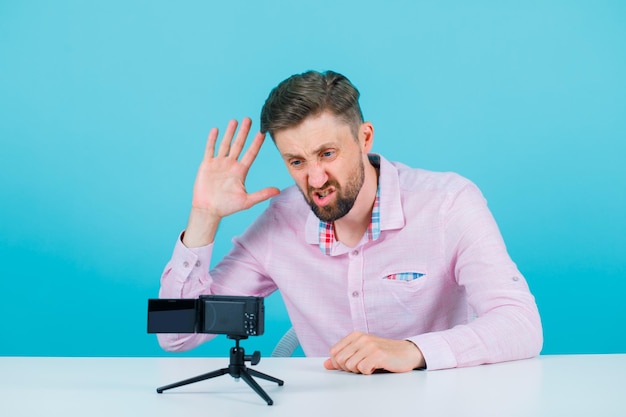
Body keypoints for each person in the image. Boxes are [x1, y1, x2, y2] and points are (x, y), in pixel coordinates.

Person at [158, 70, 543, 373]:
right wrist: (204, 217)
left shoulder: (448, 203)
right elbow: (174, 337)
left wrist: (413, 351)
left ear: (364, 138)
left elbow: (521, 324)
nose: (315, 179)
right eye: (297, 162)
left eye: (327, 153)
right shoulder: (280, 223)